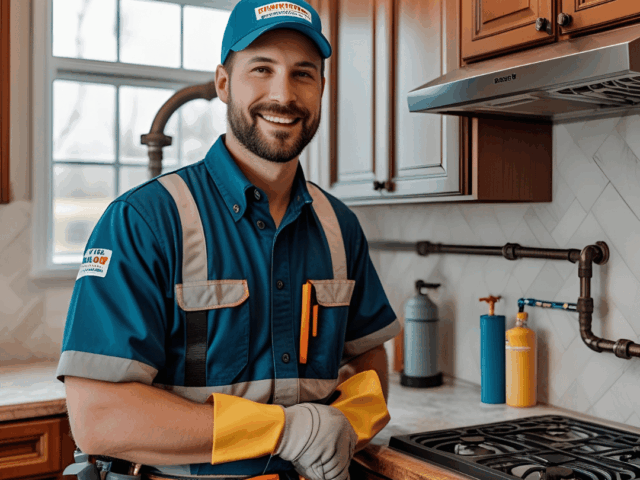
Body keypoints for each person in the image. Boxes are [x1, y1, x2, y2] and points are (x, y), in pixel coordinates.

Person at [57, 1, 401, 479]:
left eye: (303, 74)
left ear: (322, 88)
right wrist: (283, 430)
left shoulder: (339, 226)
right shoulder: (142, 221)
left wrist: (345, 423)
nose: (283, 94)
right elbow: (99, 417)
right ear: (223, 83)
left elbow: (368, 360)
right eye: (262, 69)